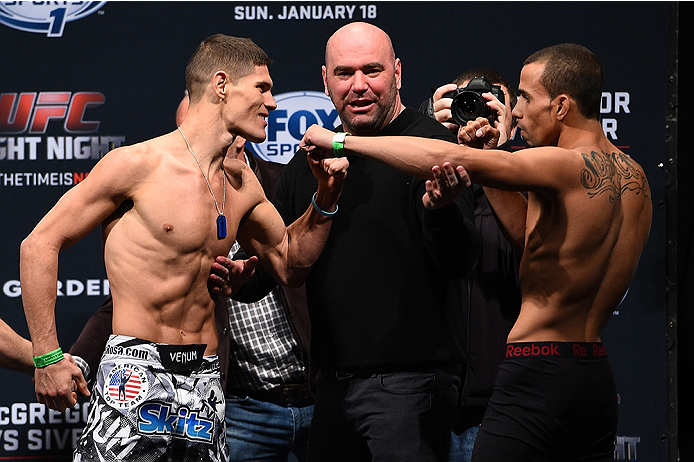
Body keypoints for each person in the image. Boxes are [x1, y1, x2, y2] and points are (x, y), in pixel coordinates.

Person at [300, 43, 652, 461]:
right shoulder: (636, 179)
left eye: (524, 97)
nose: (516, 111)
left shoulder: (559, 164)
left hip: (536, 368)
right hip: (592, 371)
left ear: (560, 105)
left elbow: (447, 155)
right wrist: (489, 156)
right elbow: (532, 245)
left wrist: (343, 142)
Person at [20, 34, 348, 462]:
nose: (273, 103)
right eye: (262, 89)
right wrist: (47, 355)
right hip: (134, 374)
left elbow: (289, 263)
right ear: (222, 84)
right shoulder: (136, 165)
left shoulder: (242, 183)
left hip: (205, 379)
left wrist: (325, 198)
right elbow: (39, 244)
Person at [214, 22, 480, 461]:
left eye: (371, 71)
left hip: (411, 385)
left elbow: (460, 260)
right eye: (344, 73)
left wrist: (441, 210)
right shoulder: (310, 162)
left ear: (397, 73)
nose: (358, 86)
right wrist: (245, 276)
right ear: (325, 80)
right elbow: (281, 260)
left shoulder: (431, 144)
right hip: (333, 389)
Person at [70, 124, 316, 462]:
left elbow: (293, 263)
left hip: (315, 389)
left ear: (237, 134)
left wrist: (326, 201)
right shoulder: (162, 188)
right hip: (239, 403)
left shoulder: (283, 184)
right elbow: (131, 295)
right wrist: (69, 359)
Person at [423, 69, 524, 462]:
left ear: (514, 119)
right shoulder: (427, 178)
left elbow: (530, 246)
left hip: (500, 406)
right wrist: (432, 137)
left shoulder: (535, 176)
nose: (478, 118)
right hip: (428, 401)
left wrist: (492, 157)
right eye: (467, 105)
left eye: (492, 106)